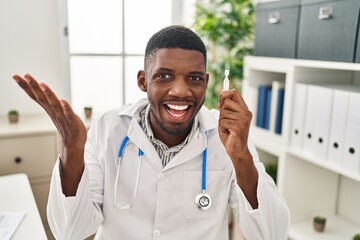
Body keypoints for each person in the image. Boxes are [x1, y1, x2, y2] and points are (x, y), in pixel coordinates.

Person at [13, 25, 290, 240]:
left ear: (206, 83)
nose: (180, 91)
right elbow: (69, 231)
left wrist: (240, 157)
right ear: (143, 81)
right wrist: (71, 150)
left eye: (194, 78)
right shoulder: (108, 128)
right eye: (164, 76)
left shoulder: (229, 138)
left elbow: (271, 234)